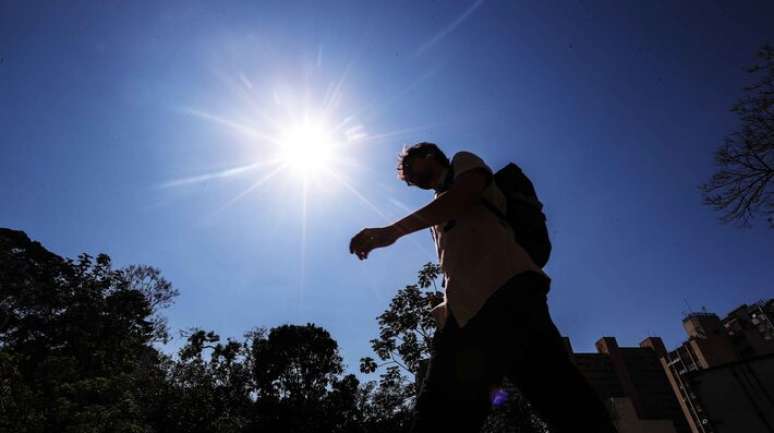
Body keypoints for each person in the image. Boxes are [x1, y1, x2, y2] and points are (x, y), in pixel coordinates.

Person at [349, 142, 617, 433]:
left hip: (509, 295)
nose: (410, 181)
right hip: (464, 313)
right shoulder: (436, 213)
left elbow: (463, 196)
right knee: (440, 415)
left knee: (566, 403)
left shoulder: (463, 163)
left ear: (428, 156)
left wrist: (392, 231)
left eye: (410, 170)